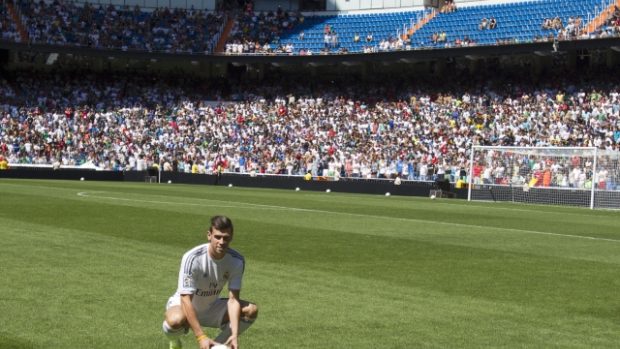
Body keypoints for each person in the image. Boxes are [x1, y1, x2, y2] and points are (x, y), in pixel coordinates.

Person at [162, 216, 258, 349]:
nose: (222, 242)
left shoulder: (237, 260)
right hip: (184, 305)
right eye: (217, 237)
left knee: (251, 310)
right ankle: (174, 341)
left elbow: (233, 300)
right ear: (209, 235)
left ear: (231, 237)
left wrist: (235, 334)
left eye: (226, 237)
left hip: (211, 307)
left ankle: (217, 345)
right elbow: (185, 299)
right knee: (174, 321)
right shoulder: (192, 258)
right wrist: (201, 336)